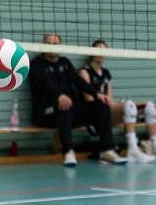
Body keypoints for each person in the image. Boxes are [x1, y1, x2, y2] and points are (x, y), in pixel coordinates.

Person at [29, 33, 114, 166]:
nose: (52, 47)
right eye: (49, 44)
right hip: (46, 114)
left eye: (55, 44)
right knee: (64, 107)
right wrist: (59, 96)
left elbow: (78, 81)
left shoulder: (65, 63)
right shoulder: (36, 65)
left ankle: (107, 150)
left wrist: (97, 94)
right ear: (43, 46)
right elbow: (47, 84)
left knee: (101, 106)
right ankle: (68, 152)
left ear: (60, 46)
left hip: (69, 114)